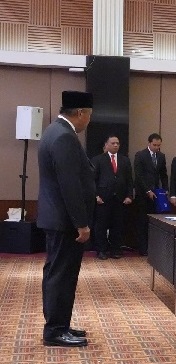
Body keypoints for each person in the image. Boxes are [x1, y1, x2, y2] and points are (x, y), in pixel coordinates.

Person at [37, 90, 96, 347]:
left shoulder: (54, 131)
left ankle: (59, 324)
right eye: (89, 115)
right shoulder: (64, 136)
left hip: (58, 219)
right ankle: (55, 330)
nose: (89, 121)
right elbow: (69, 184)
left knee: (57, 274)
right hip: (65, 222)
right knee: (61, 275)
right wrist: (81, 223)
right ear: (80, 113)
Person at [90, 135, 133, 260]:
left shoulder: (124, 160)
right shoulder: (98, 159)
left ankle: (116, 249)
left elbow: (129, 180)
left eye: (117, 143)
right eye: (113, 143)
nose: (116, 145)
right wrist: (95, 196)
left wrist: (129, 195)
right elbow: (91, 180)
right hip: (103, 199)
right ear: (106, 145)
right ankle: (101, 250)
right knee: (101, 226)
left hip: (120, 198)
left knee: (117, 225)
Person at [134, 133, 168, 256]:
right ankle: (142, 249)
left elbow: (163, 174)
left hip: (157, 194)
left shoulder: (161, 156)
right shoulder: (140, 155)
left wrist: (165, 189)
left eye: (159, 145)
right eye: (154, 145)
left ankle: (153, 248)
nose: (157, 147)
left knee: (154, 221)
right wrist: (147, 190)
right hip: (143, 194)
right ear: (149, 143)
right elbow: (138, 175)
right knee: (142, 221)